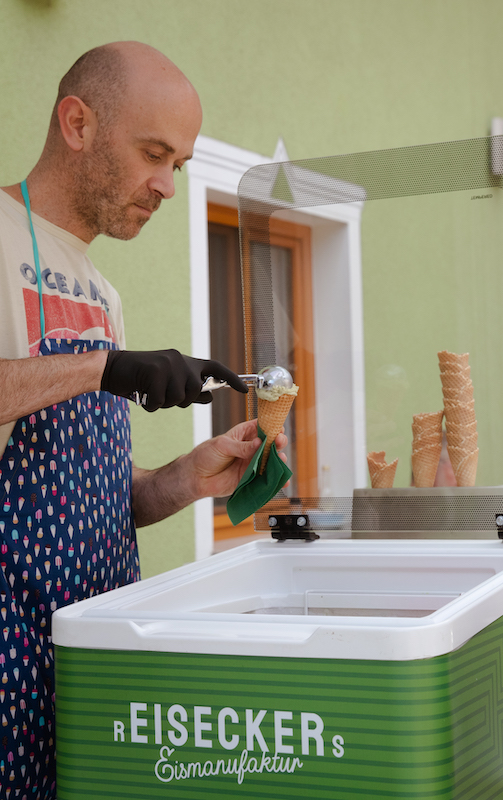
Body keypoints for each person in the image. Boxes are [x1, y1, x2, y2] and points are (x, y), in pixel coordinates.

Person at [0, 42, 285, 798]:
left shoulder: (102, 293)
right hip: (7, 665)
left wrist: (184, 478)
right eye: (153, 153)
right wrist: (104, 367)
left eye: (180, 165)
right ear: (77, 122)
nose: (165, 185)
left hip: (92, 660)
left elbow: (88, 493)